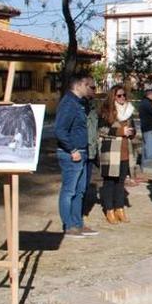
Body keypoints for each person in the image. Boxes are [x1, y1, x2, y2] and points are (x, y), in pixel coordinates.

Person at [54, 72, 98, 238]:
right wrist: (72, 150)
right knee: (69, 190)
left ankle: (78, 223)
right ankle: (69, 225)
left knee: (80, 191)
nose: (93, 90)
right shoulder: (69, 104)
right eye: (90, 86)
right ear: (80, 85)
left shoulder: (80, 104)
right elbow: (60, 130)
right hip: (72, 154)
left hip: (82, 152)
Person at [97, 84, 136, 225]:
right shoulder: (106, 111)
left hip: (125, 151)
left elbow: (134, 130)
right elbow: (101, 129)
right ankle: (109, 209)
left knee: (120, 183)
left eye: (124, 95)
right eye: (119, 95)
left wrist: (132, 132)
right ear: (113, 96)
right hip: (111, 152)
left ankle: (120, 208)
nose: (122, 98)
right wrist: (120, 132)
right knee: (109, 183)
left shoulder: (129, 111)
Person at [138, 87, 152, 171]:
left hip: (145, 127)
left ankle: (144, 165)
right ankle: (148, 166)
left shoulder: (144, 103)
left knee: (145, 148)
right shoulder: (147, 104)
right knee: (149, 149)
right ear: (150, 95)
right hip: (149, 128)